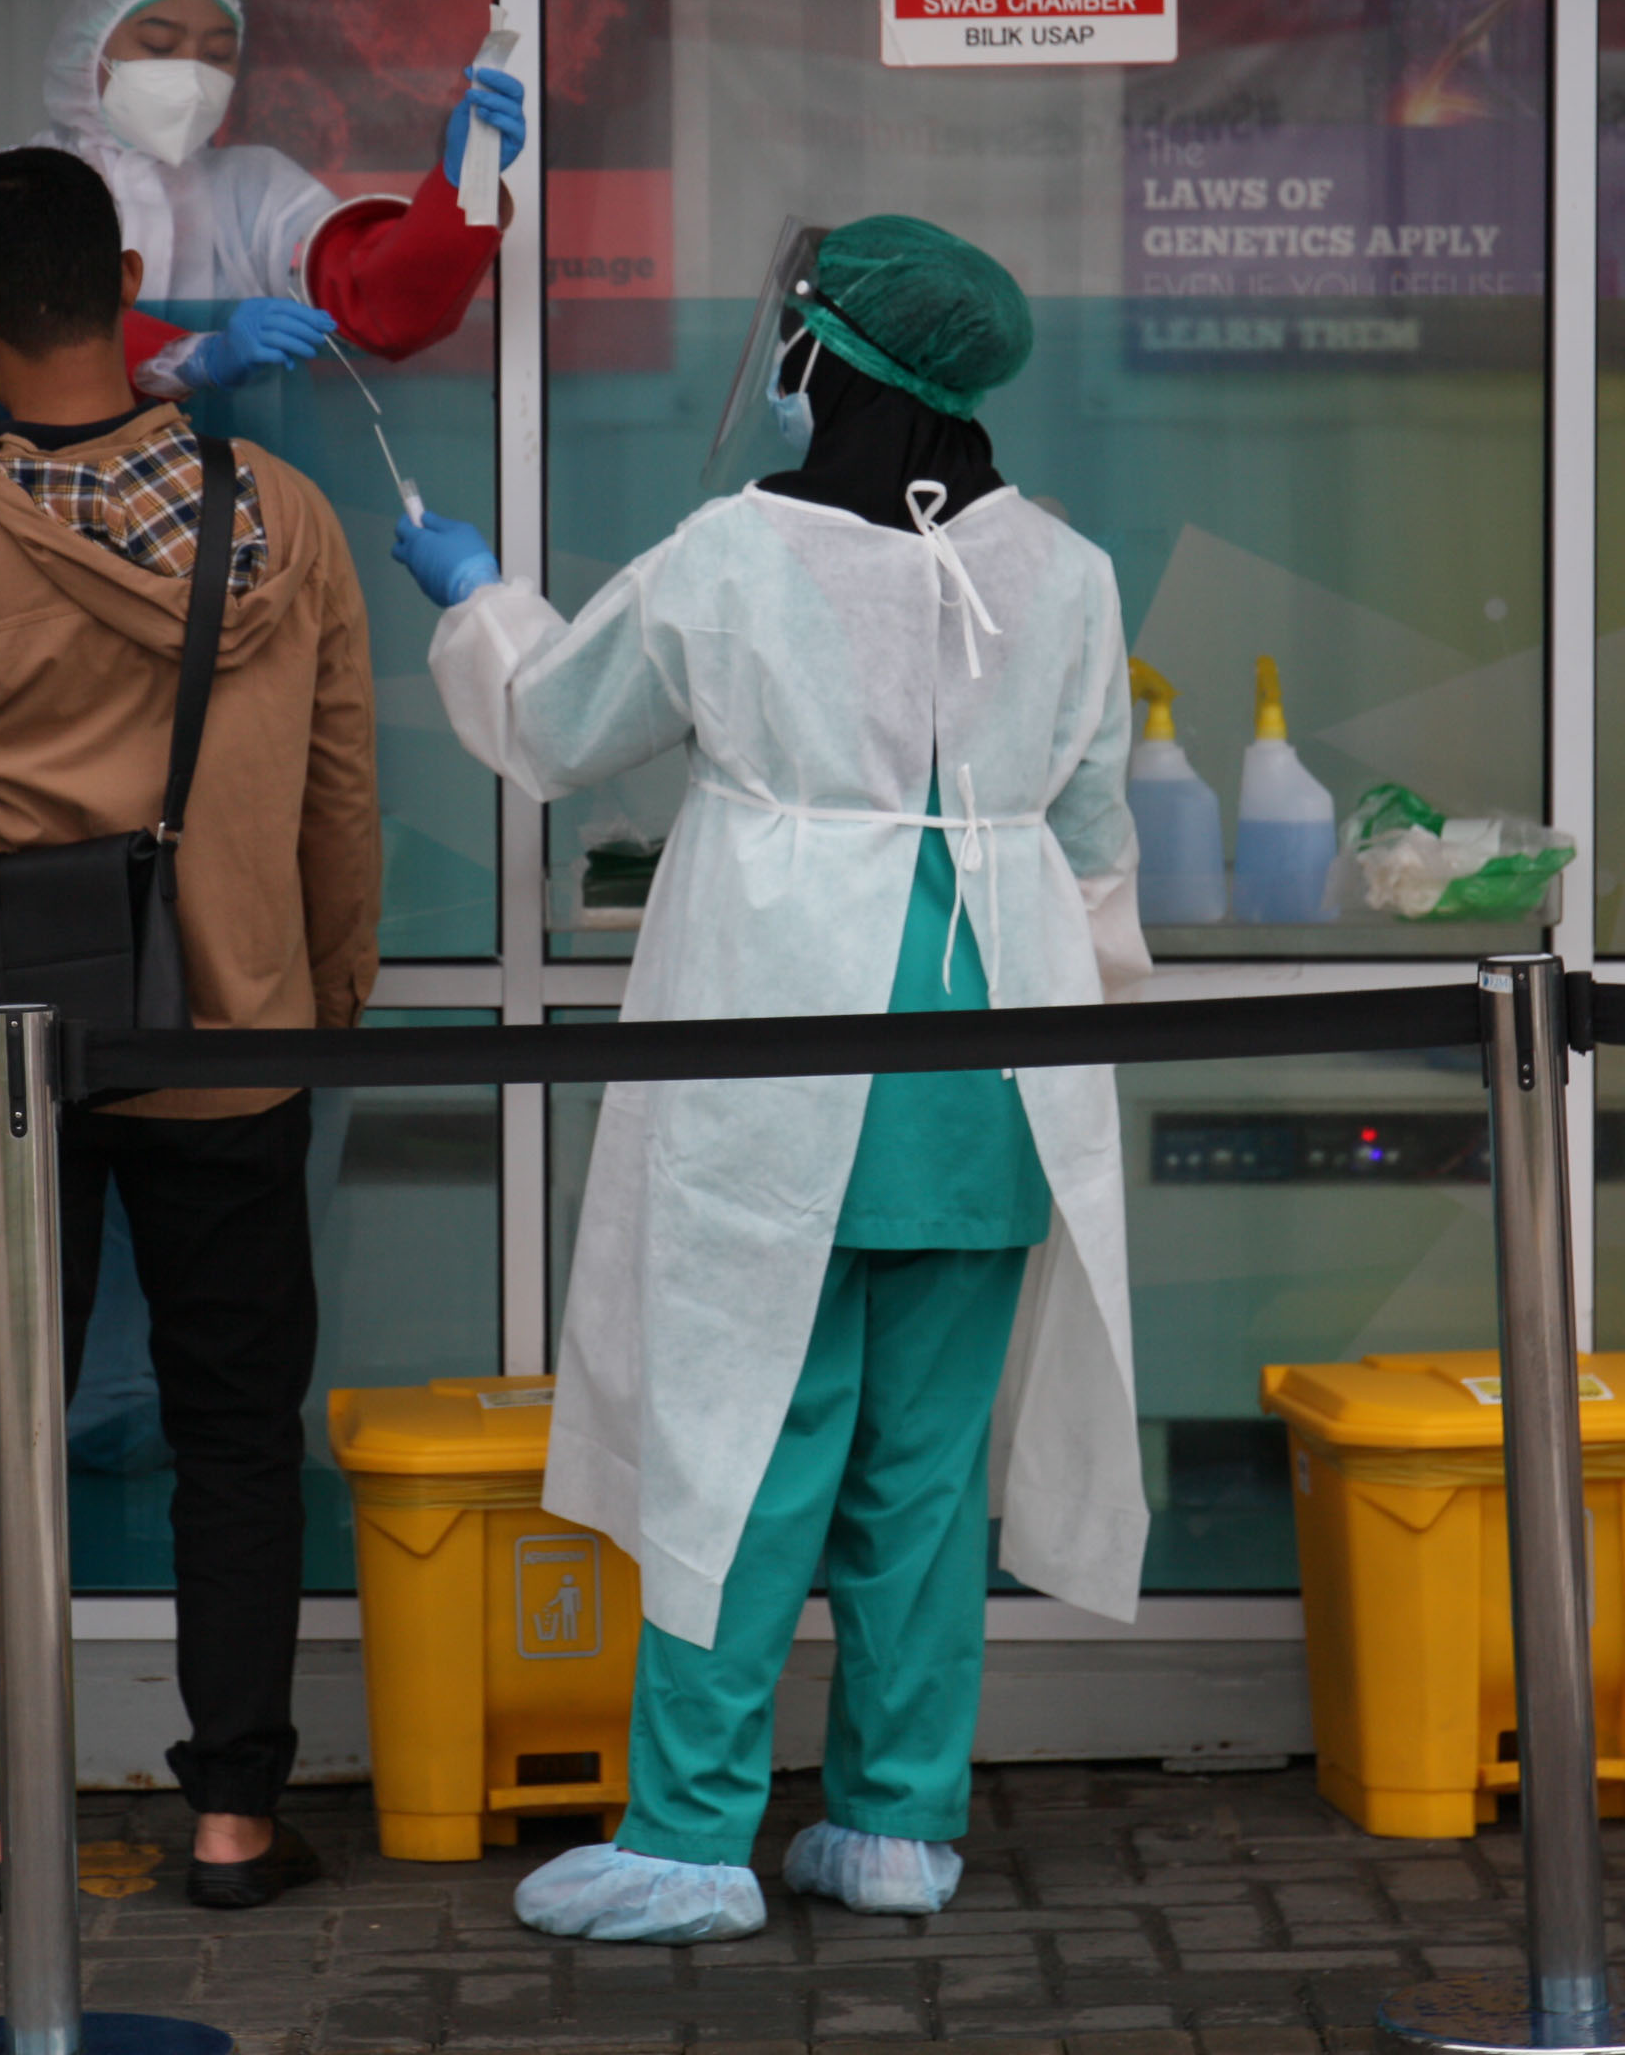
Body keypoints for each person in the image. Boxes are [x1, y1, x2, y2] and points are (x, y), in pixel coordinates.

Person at [387, 215, 1150, 1944]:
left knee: (736, 1448)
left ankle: (688, 1834)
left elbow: (557, 728)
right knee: (923, 1476)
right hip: (991, 1076)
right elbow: (1095, 854)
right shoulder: (1077, 576)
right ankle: (893, 1825)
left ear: (828, 362)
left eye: (795, 342)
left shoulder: (733, 557)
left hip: (783, 1068)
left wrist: (480, 600)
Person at [0, 146, 380, 1912]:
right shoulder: (281, 518)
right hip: (238, 1038)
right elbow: (341, 795)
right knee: (239, 1432)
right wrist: (323, 1004)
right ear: (126, 275)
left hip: (6, 1061)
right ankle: (238, 1824)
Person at [0, 0, 524, 398]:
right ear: (88, 48)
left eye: (217, 53)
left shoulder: (254, 190)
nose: (191, 72)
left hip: (239, 508)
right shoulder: (7, 188)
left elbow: (379, 300)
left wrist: (463, 181)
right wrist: (197, 358)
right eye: (158, 43)